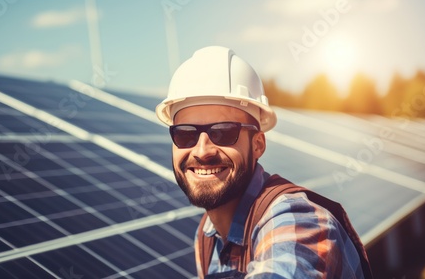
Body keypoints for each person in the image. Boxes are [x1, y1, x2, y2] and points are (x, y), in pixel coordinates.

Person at [155, 46, 372, 278]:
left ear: (258, 144)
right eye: (185, 134)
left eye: (224, 132)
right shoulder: (206, 236)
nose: (202, 151)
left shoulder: (298, 219)